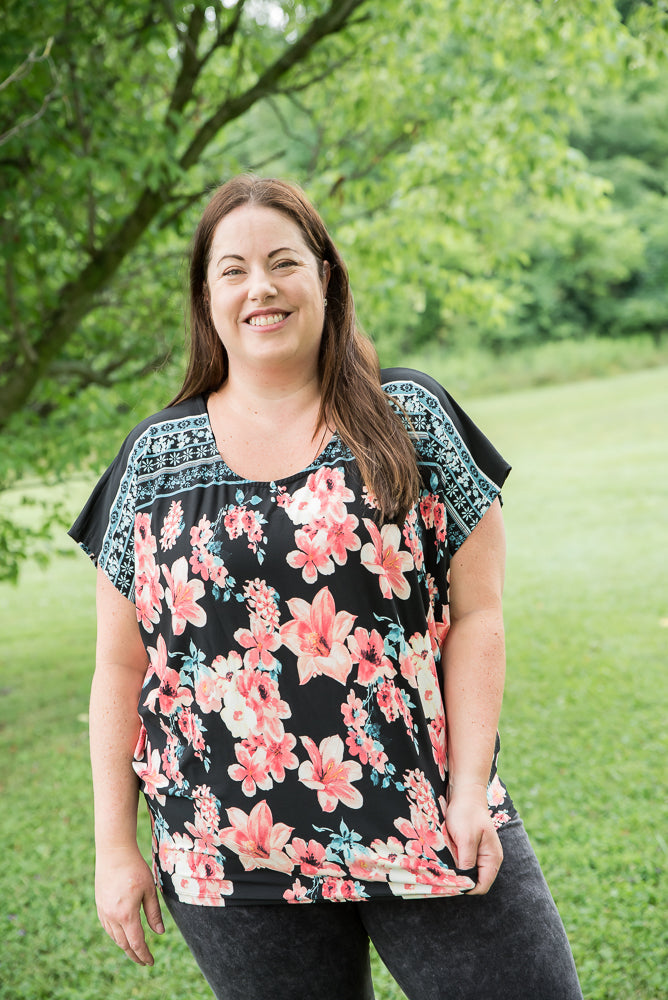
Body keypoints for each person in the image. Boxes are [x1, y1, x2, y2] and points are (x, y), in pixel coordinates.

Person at [70, 175, 583, 1000]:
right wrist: (114, 847)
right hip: (228, 851)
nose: (260, 288)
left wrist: (468, 794)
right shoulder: (151, 463)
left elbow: (480, 613)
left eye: (282, 262)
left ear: (325, 277)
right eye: (232, 270)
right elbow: (120, 668)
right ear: (206, 299)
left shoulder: (408, 415)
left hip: (426, 817)